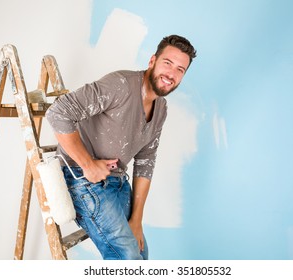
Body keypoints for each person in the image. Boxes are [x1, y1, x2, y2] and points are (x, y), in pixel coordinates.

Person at [46, 35, 196, 260]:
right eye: (167, 63)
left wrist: (137, 220)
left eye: (180, 69)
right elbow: (58, 112)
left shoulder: (161, 108)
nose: (172, 74)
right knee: (127, 258)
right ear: (152, 61)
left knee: (141, 253)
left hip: (116, 182)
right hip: (81, 179)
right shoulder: (120, 85)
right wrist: (87, 164)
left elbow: (146, 162)